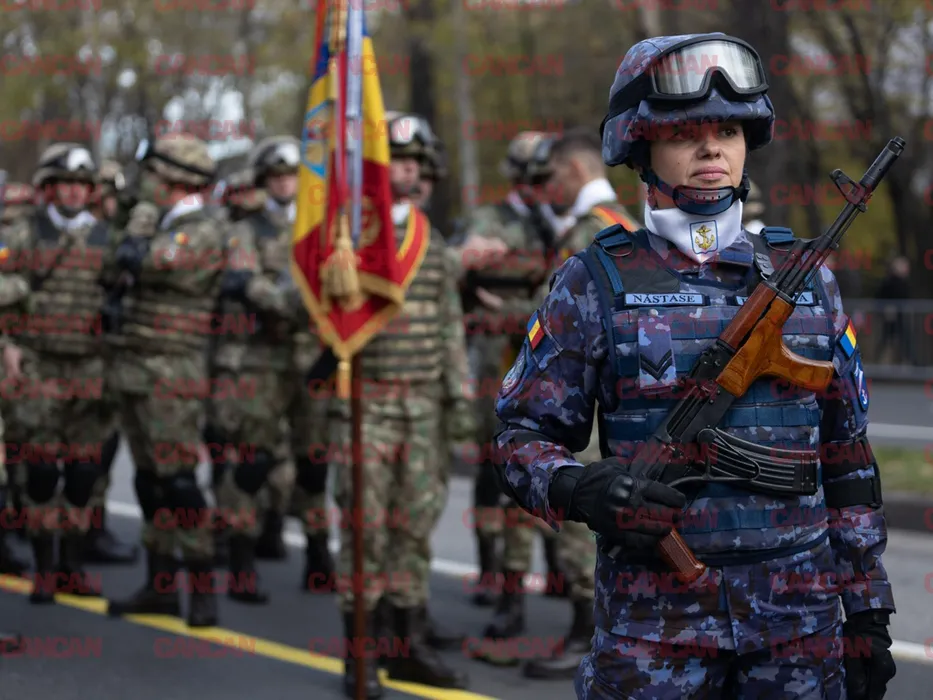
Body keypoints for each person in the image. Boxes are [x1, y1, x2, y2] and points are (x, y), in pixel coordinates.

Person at [494, 33, 897, 699]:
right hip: (653, 634)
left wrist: (867, 613)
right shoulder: (591, 283)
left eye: (728, 132)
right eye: (685, 132)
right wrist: (579, 488)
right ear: (640, 146)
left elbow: (847, 459)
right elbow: (519, 439)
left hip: (798, 631)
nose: (712, 149)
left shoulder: (808, 283)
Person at [330, 110, 472, 698]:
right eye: (396, 162)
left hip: (423, 408)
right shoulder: (346, 237)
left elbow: (448, 325)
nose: (406, 172)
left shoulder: (430, 241)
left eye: (414, 163)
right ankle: (360, 654)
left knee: (414, 529)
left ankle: (406, 645)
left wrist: (459, 400)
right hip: (366, 408)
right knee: (365, 530)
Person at [104, 133, 226, 627]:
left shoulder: (203, 229)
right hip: (134, 364)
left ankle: (202, 586)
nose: (146, 183)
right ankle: (160, 584)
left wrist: (137, 223)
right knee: (149, 480)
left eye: (153, 173)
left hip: (173, 369)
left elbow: (145, 261)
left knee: (178, 481)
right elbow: (111, 261)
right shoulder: (163, 222)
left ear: (176, 178)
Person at [455, 131, 570, 613]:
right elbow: (462, 277)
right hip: (495, 353)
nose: (539, 186)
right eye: (532, 178)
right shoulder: (491, 220)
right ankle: (490, 567)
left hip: (547, 354)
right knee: (495, 458)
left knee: (552, 453)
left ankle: (558, 567)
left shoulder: (562, 223)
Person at [3, 144, 114, 603]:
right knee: (42, 471)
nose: (73, 192)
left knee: (85, 472)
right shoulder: (24, 232)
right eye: (65, 184)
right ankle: (45, 567)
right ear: (49, 188)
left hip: (90, 366)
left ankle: (72, 563)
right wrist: (7, 345)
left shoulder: (107, 238)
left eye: (81, 186)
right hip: (38, 364)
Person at [246, 136, 333, 586]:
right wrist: (292, 301)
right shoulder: (248, 229)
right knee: (253, 458)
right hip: (263, 357)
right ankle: (243, 553)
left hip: (313, 356)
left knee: (314, 464)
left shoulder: (325, 228)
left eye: (290, 176)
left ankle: (318, 554)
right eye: (275, 176)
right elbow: (246, 282)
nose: (283, 183)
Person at [84, 159, 139, 565]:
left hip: (104, 352)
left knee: (102, 443)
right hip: (70, 353)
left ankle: (91, 527)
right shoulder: (80, 236)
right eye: (108, 195)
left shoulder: (113, 236)